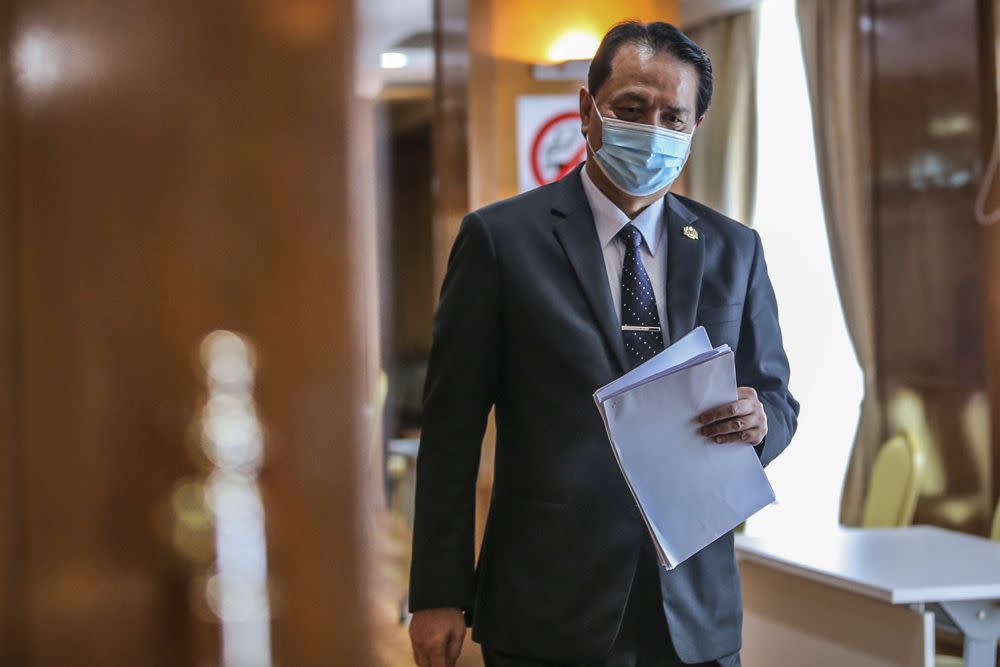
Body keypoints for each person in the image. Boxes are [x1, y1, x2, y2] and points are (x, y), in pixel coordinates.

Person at [407, 20, 799, 667]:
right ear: (588, 110)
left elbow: (778, 396)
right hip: (548, 603)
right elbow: (450, 431)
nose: (652, 131)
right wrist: (437, 594)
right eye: (631, 108)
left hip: (695, 609)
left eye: (673, 116)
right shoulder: (501, 241)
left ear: (696, 128)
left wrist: (761, 422)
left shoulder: (735, 248)